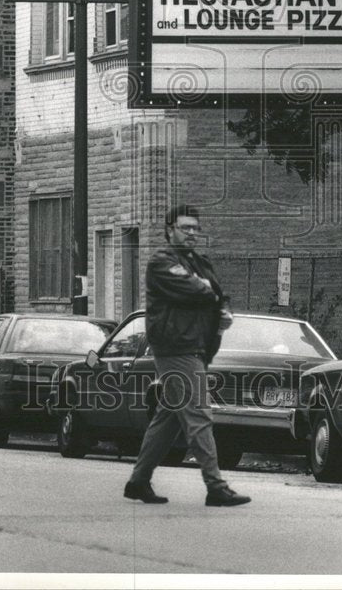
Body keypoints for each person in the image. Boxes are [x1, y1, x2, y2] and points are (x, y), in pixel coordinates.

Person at [123, 204, 251, 507]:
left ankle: (138, 482)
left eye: (195, 228)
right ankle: (216, 486)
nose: (192, 233)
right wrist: (208, 293)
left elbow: (216, 292)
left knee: (169, 418)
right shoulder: (161, 261)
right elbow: (194, 291)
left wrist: (223, 309)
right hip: (176, 347)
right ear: (170, 230)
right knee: (198, 414)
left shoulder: (199, 262)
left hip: (196, 346)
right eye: (185, 228)